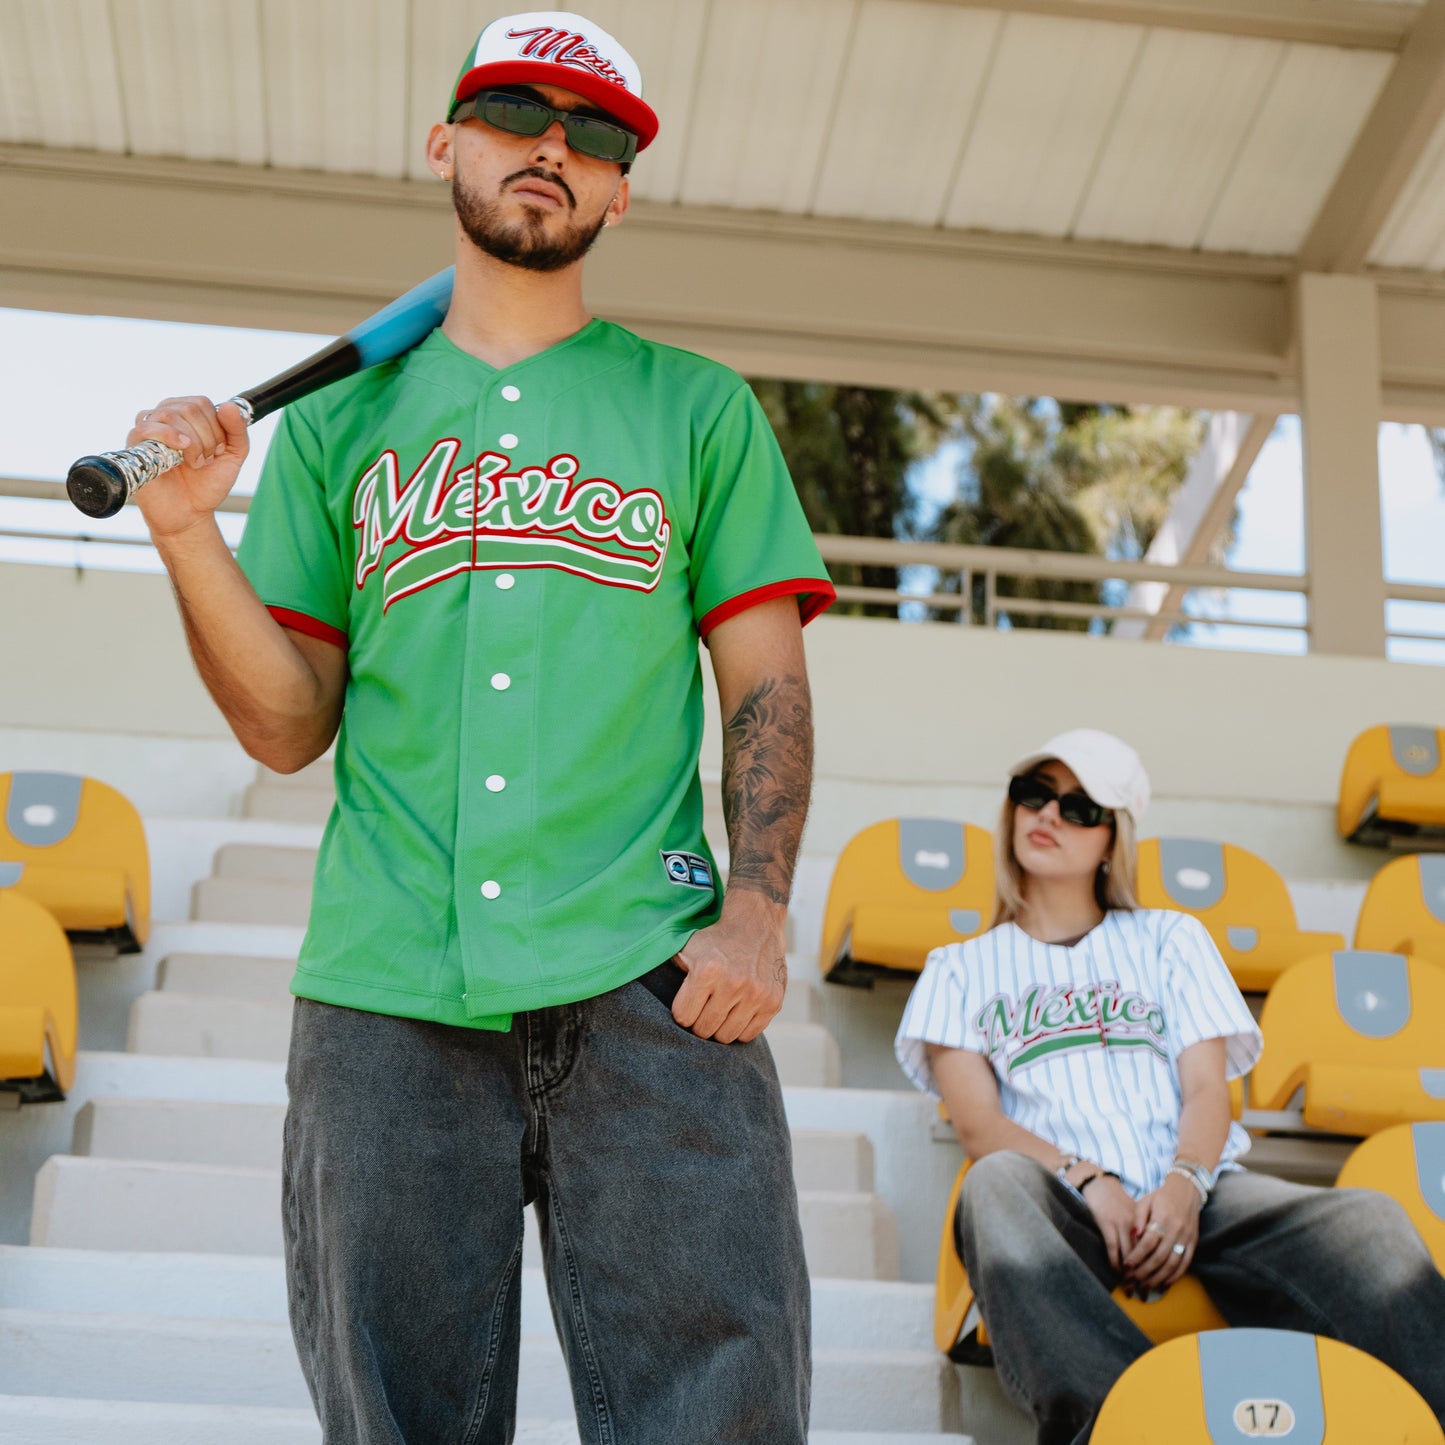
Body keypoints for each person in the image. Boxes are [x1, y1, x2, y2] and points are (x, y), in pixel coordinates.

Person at [121, 12, 835, 1443]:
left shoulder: (693, 408)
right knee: (400, 1420)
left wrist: (757, 909)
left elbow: (766, 678)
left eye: (595, 134)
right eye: (515, 112)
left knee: (721, 1413)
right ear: (445, 140)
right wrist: (190, 536)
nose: (551, 149)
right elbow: (283, 726)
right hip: (390, 987)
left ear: (622, 188)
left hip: (651, 975)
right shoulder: (337, 430)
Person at [895, 728, 1445, 1445]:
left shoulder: (1169, 937)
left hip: (1202, 1192)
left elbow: (1206, 1091)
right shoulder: (956, 967)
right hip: (1060, 1197)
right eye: (1032, 795)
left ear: (1111, 838)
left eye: (1078, 807)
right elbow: (979, 1125)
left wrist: (1185, 1183)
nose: (1048, 815)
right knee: (991, 1183)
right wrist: (1088, 1178)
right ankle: (1135, 1424)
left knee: (1371, 1220)